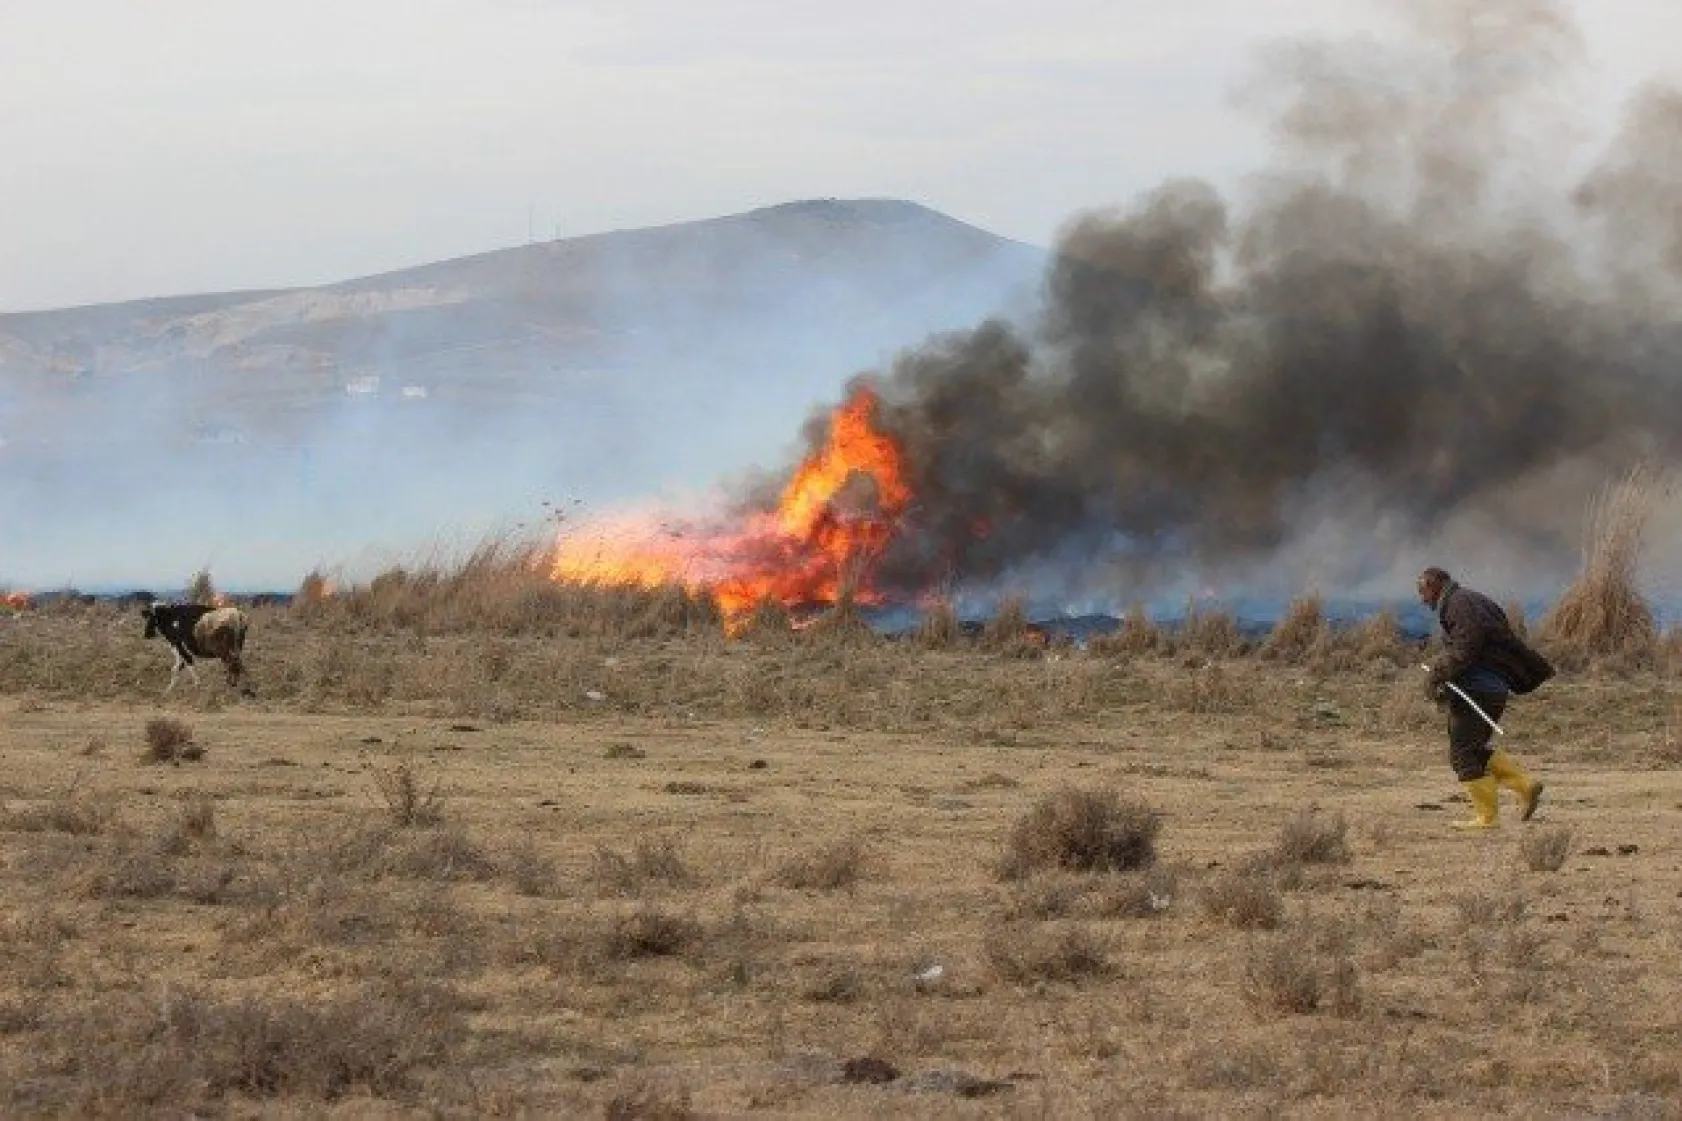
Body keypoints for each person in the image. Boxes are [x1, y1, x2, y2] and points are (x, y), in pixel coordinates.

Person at [1416, 567, 1555, 830]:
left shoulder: (1457, 604)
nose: (1423, 600)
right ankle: (1525, 786)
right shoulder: (1470, 599)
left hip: (1477, 689)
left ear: (1435, 585)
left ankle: (1486, 818)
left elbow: (1467, 646)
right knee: (1475, 748)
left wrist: (1438, 673)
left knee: (1462, 755)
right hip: (1491, 689)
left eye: (1423, 592)